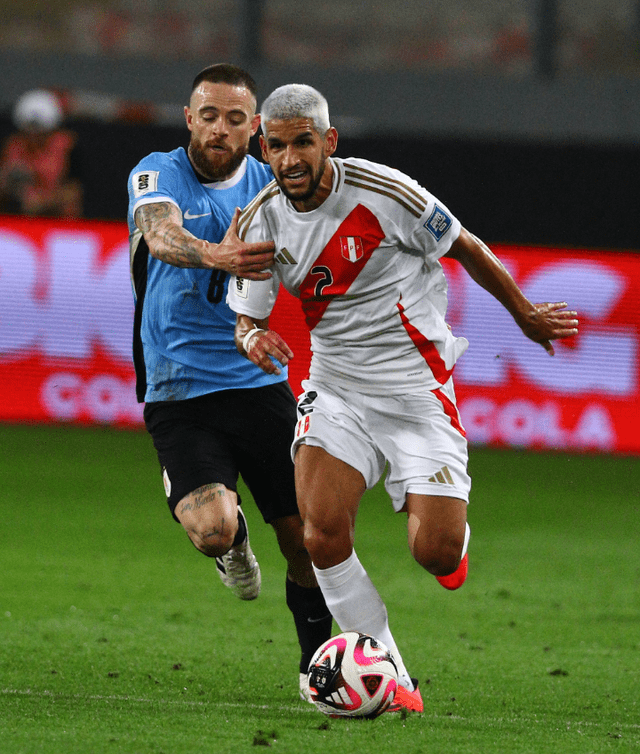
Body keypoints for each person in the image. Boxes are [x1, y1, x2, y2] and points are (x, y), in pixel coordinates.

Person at [227, 84, 580, 713]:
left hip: (418, 394)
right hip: (336, 391)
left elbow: (464, 244)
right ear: (263, 145)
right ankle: (392, 678)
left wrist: (524, 314)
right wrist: (253, 336)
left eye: (303, 142)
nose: (290, 159)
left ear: (328, 141)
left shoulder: (386, 193)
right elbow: (247, 319)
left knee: (432, 550)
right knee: (322, 534)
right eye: (276, 146)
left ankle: (452, 547)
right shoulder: (257, 222)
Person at [126, 65, 332, 702]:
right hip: (178, 388)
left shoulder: (275, 186)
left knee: (307, 539)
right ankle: (230, 543)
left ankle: (318, 668)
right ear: (189, 118)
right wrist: (216, 253)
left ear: (259, 130)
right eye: (208, 115)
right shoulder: (156, 173)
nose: (220, 128)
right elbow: (160, 235)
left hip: (259, 380)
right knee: (214, 528)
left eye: (235, 118)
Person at [0, 88, 83, 218]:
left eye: (40, 132)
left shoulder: (67, 146)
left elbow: (75, 190)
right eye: (29, 130)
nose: (34, 136)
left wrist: (43, 202)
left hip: (58, 222)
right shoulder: (14, 146)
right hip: (18, 221)